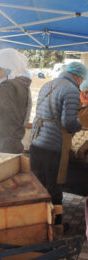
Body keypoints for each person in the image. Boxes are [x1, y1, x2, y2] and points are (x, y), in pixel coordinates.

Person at [30, 61, 87, 225]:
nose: (81, 82)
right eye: (82, 78)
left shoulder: (48, 85)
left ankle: (38, 220)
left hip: (36, 141)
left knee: (39, 185)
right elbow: (68, 122)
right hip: (53, 145)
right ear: (77, 76)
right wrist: (79, 126)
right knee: (54, 185)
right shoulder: (70, 90)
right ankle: (56, 224)